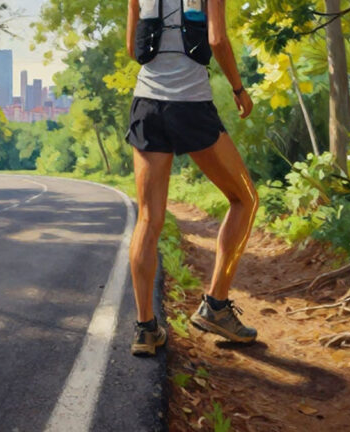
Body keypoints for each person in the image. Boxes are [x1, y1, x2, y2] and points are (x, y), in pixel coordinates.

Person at [125, 0, 260, 356]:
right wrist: (238, 88)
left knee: (149, 218)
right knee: (246, 199)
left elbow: (131, 47)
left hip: (146, 105)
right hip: (191, 104)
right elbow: (216, 40)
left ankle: (145, 329)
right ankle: (216, 304)